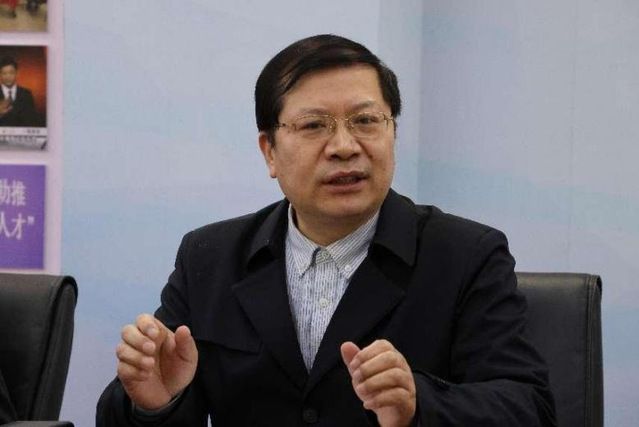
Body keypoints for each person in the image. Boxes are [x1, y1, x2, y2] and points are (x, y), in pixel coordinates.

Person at [96, 34, 556, 426]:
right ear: (269, 152)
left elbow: (529, 407)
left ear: (393, 133)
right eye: (314, 125)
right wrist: (156, 403)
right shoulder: (210, 257)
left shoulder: (465, 255)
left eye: (366, 121)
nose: (344, 146)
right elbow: (145, 398)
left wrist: (419, 404)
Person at [0, 56, 38, 128]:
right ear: (0, 74)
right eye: (4, 73)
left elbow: (33, 120)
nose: (8, 76)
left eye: (11, 73)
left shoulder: (26, 94)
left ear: (17, 73)